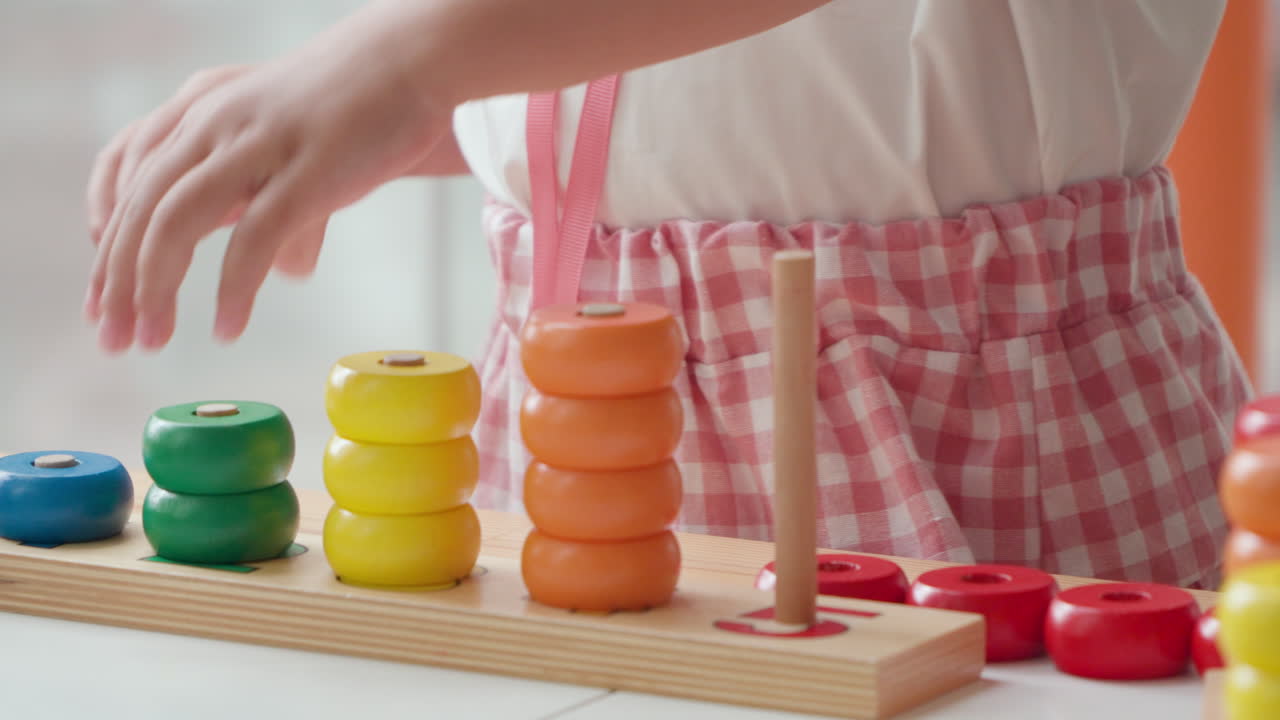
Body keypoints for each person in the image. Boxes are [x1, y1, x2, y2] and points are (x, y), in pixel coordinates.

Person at [83, 0, 1251, 589]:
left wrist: (410, 58)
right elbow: (740, 98)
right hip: (571, 426)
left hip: (960, 423)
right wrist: (420, 105)